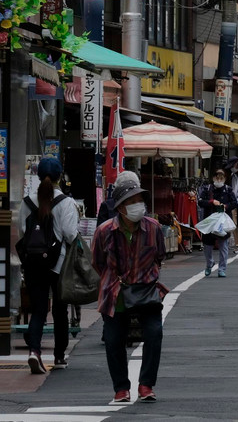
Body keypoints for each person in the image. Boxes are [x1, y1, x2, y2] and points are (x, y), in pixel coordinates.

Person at [92, 172, 167, 402]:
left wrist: (144, 274)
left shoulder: (153, 228)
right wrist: (115, 279)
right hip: (115, 291)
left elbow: (160, 256)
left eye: (139, 201)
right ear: (121, 207)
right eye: (132, 202)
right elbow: (98, 262)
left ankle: (146, 385)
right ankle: (121, 388)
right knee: (114, 339)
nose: (138, 206)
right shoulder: (105, 231)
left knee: (154, 333)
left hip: (146, 288)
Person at [18, 158, 79, 374]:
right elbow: (71, 235)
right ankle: (59, 356)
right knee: (60, 310)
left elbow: (22, 234)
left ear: (37, 176)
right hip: (58, 263)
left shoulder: (26, 203)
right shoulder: (66, 202)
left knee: (38, 310)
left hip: (33, 264)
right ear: (60, 177)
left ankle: (34, 351)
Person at [198, 169, 237, 278]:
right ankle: (209, 262)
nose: (219, 180)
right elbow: (200, 202)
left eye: (221, 178)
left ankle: (222, 268)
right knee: (207, 245)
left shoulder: (228, 190)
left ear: (224, 179)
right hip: (210, 220)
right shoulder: (207, 189)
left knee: (223, 245)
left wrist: (226, 206)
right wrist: (211, 202)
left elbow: (234, 203)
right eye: (217, 177)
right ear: (213, 178)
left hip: (223, 221)